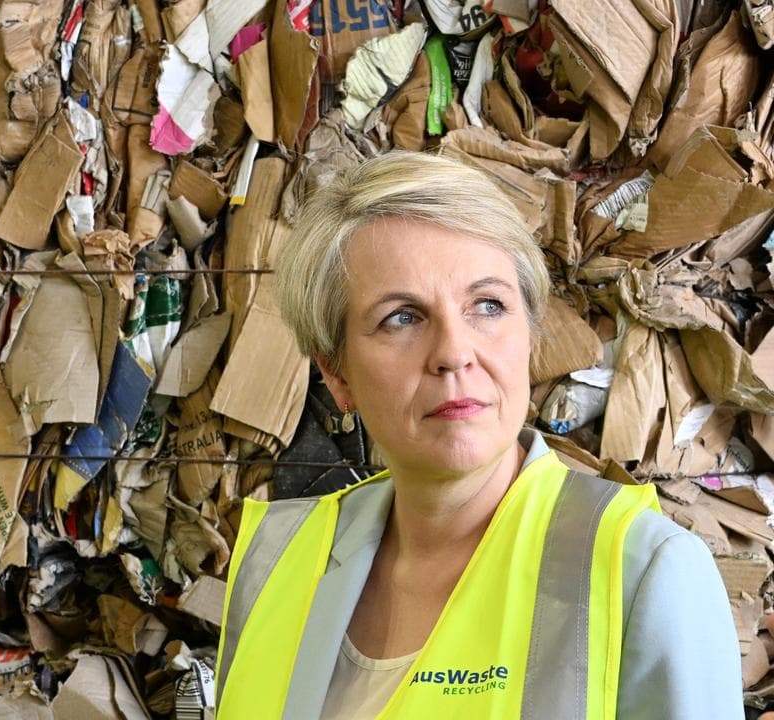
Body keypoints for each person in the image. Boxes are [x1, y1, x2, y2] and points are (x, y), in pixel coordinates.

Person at [214, 151, 741, 719]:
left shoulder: (643, 571)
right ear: (337, 374)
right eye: (402, 317)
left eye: (487, 306)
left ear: (530, 336)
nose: (454, 353)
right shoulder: (274, 563)